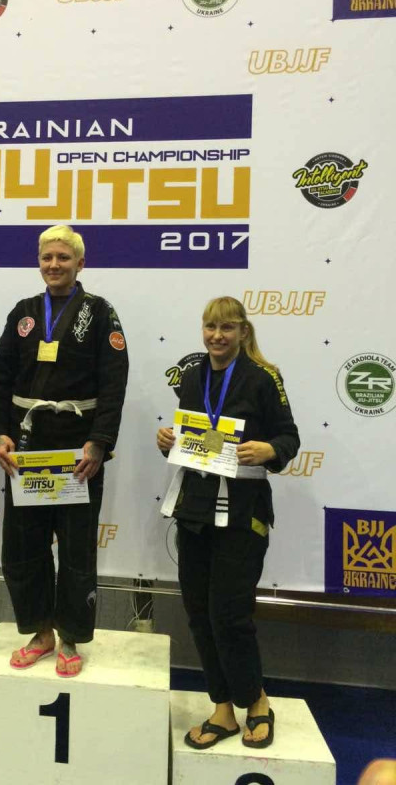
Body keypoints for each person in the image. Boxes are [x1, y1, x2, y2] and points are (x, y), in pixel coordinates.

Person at [0, 225, 128, 677]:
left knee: (77, 546)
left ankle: (70, 636)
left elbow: (114, 381)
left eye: (63, 257)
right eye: (47, 257)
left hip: (78, 447)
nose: (54, 265)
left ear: (80, 263)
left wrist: (99, 442)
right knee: (24, 545)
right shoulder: (23, 312)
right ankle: (40, 632)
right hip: (27, 443)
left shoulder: (100, 312)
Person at [156, 296, 299, 749]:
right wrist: (168, 441)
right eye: (211, 327)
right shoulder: (192, 376)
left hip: (242, 513)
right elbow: (193, 437)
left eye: (227, 328)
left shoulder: (263, 377)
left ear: (243, 331)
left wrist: (270, 450)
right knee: (199, 613)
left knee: (230, 615)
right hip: (195, 511)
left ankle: (255, 701)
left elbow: (289, 437)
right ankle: (222, 708)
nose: (217, 336)